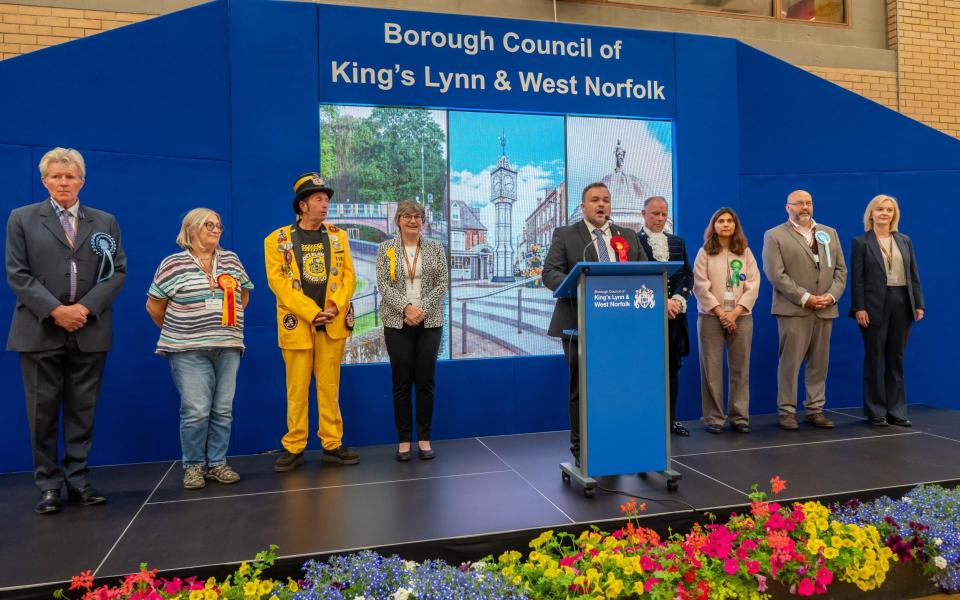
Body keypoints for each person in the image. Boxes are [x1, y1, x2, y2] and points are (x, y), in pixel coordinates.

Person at [5, 147, 126, 514]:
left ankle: (78, 480)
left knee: (82, 410)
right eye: (56, 176)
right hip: (39, 330)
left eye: (70, 176)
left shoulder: (104, 221)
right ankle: (48, 485)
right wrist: (56, 310)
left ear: (82, 181)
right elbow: (17, 273)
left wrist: (84, 309)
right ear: (44, 181)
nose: (63, 182)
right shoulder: (22, 219)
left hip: (89, 331)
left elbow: (117, 271)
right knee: (41, 413)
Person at [146, 209, 253, 489]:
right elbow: (154, 307)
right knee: (196, 409)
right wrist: (182, 332)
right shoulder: (172, 263)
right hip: (187, 350)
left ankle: (217, 463)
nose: (216, 230)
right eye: (209, 225)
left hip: (228, 347)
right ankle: (193, 466)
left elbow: (243, 295)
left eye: (219, 225)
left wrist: (226, 325)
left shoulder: (231, 260)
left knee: (223, 409)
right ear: (191, 229)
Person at [543, 182, 647, 468]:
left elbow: (644, 271)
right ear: (583, 206)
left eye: (606, 200)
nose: (601, 205)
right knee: (583, 387)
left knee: (617, 385)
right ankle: (581, 447)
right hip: (579, 323)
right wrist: (579, 288)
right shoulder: (566, 235)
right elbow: (550, 272)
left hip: (622, 327)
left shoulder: (627, 236)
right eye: (595, 200)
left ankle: (614, 440)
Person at [265, 173, 358, 471]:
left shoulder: (338, 236)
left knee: (330, 386)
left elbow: (349, 277)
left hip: (331, 323)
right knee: (297, 387)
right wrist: (309, 311)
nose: (325, 204)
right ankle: (294, 445)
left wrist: (333, 306)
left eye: (326, 199)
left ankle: (332, 444)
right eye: (318, 199)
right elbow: (277, 283)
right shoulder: (276, 240)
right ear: (302, 205)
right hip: (299, 324)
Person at [762, 189, 847, 431]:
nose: (805, 207)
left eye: (809, 202)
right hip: (793, 309)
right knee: (790, 363)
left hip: (825, 309)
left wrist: (831, 296)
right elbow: (775, 274)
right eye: (799, 203)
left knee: (820, 363)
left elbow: (841, 271)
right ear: (787, 207)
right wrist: (806, 297)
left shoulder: (829, 233)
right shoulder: (775, 235)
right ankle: (787, 412)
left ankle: (815, 409)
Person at [375, 200, 449, 461]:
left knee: (426, 382)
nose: (413, 221)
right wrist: (406, 308)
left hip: (429, 323)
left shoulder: (435, 248)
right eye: (407, 216)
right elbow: (383, 284)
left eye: (418, 216)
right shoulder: (386, 249)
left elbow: (442, 283)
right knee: (401, 382)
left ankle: (425, 439)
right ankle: (405, 441)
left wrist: (421, 310)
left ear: (423, 221)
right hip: (397, 323)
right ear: (398, 220)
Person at [849, 194, 924, 428]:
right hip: (873, 306)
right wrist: (859, 307)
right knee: (874, 358)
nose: (884, 213)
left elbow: (913, 274)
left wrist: (918, 303)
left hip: (902, 301)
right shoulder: (861, 242)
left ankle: (897, 410)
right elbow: (857, 279)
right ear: (871, 213)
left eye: (889, 210)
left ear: (894, 215)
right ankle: (876, 410)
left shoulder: (905, 240)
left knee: (896, 359)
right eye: (880, 209)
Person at [692, 208, 761, 434]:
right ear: (713, 226)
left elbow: (753, 285)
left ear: (735, 226)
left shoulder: (746, 253)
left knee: (741, 369)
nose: (725, 225)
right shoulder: (704, 253)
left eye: (729, 221)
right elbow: (700, 286)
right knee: (711, 369)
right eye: (720, 221)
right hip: (711, 317)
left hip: (741, 317)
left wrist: (735, 313)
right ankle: (714, 418)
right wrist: (722, 313)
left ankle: (739, 416)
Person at [637, 196, 694, 436]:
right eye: (655, 214)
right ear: (644, 214)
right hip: (646, 317)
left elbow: (686, 275)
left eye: (664, 214)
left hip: (674, 316)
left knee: (673, 367)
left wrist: (677, 301)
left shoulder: (677, 242)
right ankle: (647, 419)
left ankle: (671, 420)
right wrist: (661, 302)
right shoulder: (633, 241)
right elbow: (635, 276)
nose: (660, 219)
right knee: (646, 370)